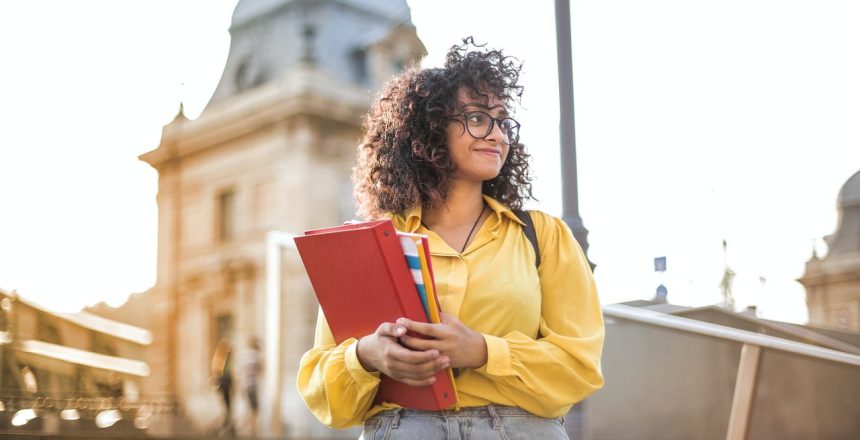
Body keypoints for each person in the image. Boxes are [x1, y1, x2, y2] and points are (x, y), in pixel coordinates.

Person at [297, 38, 604, 439]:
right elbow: (325, 393)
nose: (497, 134)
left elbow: (579, 367)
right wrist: (367, 355)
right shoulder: (373, 244)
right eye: (477, 118)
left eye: (502, 120)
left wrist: (481, 351)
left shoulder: (543, 237)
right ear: (429, 128)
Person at [211, 338, 235, 435]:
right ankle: (227, 425)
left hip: (226, 384)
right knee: (227, 406)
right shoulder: (220, 358)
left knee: (228, 406)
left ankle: (229, 425)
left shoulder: (227, 359)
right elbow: (217, 372)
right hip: (224, 383)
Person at [242, 336, 263, 436]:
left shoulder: (246, 355)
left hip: (246, 385)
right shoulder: (254, 356)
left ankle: (250, 429)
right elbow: (260, 368)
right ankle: (252, 431)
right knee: (255, 409)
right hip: (252, 386)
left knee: (251, 408)